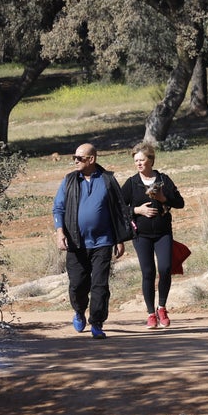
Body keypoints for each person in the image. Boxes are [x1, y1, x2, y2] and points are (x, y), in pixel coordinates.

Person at [53, 142, 133, 339]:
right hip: (76, 242)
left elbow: (117, 211)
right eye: (74, 157)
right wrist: (59, 232)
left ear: (91, 159)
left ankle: (97, 322)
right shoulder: (70, 180)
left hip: (103, 242)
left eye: (79, 158)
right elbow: (58, 208)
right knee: (78, 284)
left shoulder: (107, 180)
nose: (75, 161)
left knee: (100, 284)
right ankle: (79, 311)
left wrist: (119, 239)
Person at [121, 142, 185, 329]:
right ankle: (150, 314)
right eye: (136, 161)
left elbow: (180, 203)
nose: (138, 164)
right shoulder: (132, 183)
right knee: (148, 272)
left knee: (165, 269)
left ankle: (162, 308)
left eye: (142, 160)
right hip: (141, 235)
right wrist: (137, 210)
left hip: (163, 232)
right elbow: (119, 208)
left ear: (151, 160)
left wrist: (164, 199)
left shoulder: (164, 180)